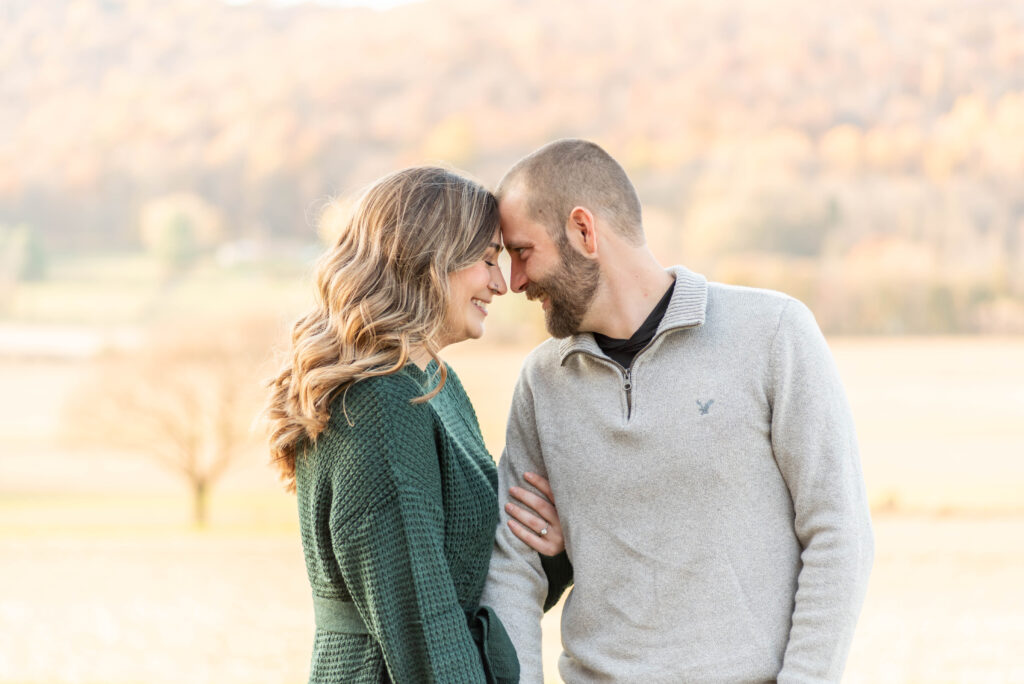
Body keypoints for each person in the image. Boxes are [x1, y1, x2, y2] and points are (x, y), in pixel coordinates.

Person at [480, 139, 875, 683]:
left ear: (583, 232)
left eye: (522, 252)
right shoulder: (542, 382)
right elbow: (514, 566)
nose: (514, 281)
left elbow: (838, 531)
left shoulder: (773, 333)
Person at [264, 166, 565, 683]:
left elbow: (462, 581)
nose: (501, 283)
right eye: (486, 259)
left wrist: (548, 554)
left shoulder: (434, 385)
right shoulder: (380, 403)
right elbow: (425, 626)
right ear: (429, 258)